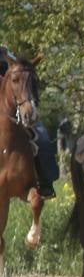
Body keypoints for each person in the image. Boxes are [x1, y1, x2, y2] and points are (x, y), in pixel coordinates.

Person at [0, 45, 57, 198]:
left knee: (42, 136)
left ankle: (45, 182)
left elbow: (19, 72)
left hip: (16, 110)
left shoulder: (5, 52)